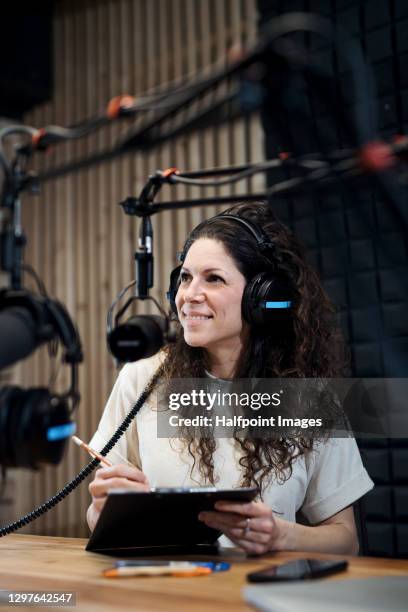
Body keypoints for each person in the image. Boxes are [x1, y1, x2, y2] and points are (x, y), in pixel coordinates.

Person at [87, 201, 373, 556]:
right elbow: (98, 517)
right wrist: (102, 508)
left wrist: (282, 537)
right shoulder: (141, 379)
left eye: (214, 279)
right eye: (185, 277)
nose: (189, 295)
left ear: (263, 298)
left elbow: (346, 541)